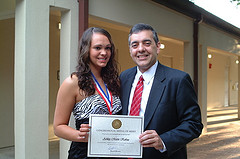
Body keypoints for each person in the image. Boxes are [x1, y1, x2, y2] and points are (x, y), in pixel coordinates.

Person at [120, 23, 203, 159]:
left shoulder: (178, 80)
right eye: (135, 45)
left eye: (146, 43)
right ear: (130, 50)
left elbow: (194, 124)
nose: (140, 49)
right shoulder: (124, 78)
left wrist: (163, 140)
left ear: (157, 47)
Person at [53, 27, 122, 159]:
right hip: (84, 154)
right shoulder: (72, 83)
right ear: (86, 50)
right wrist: (79, 135)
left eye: (108, 48)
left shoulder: (114, 81)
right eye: (98, 48)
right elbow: (58, 127)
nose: (104, 52)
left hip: (113, 152)